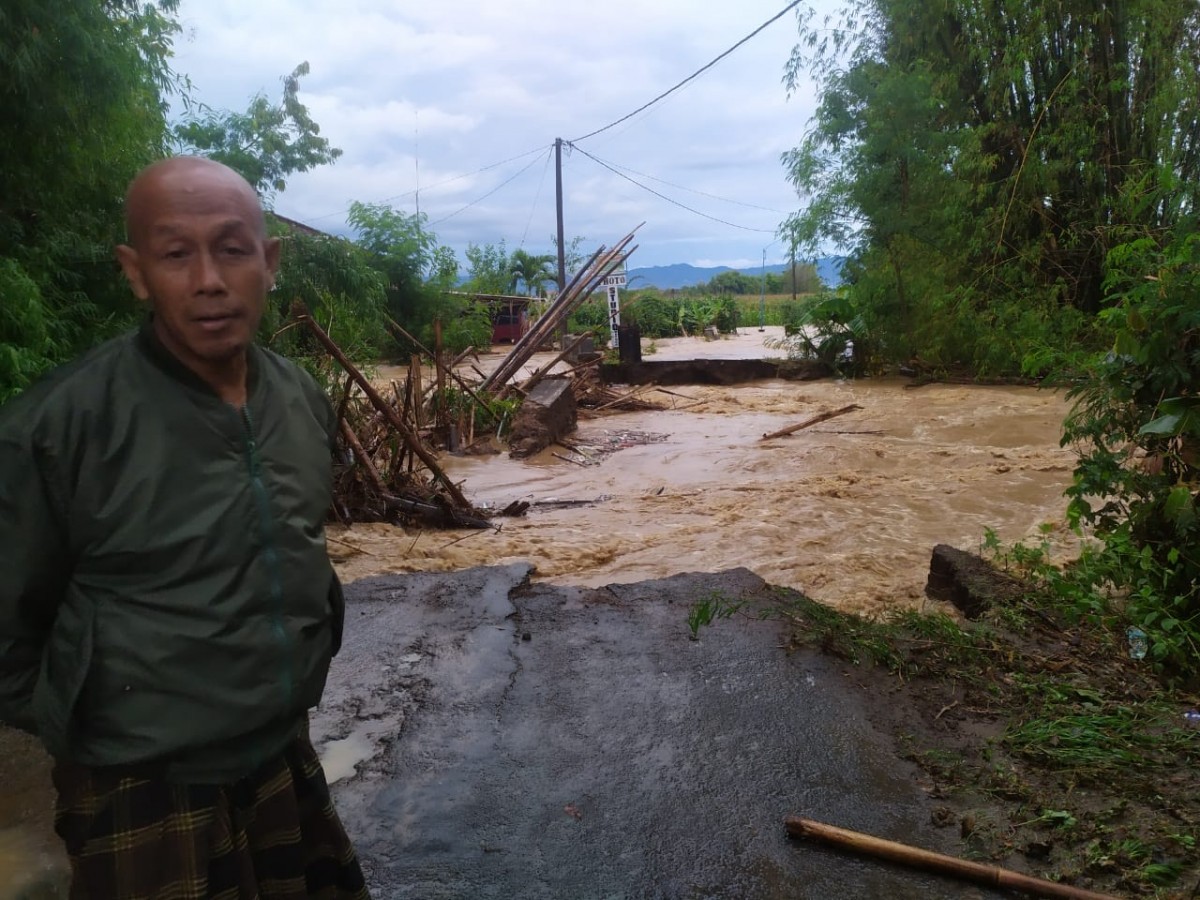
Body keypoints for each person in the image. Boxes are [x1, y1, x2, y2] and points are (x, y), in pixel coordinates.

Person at [0, 156, 370, 899]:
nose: (208, 280)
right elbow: (9, 632)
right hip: (140, 783)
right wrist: (99, 728)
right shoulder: (58, 429)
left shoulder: (297, 398)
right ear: (136, 272)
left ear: (268, 264)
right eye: (176, 254)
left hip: (279, 749)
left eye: (232, 249)